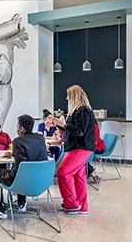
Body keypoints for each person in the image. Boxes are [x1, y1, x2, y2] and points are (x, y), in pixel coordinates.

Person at [0, 114, 48, 218]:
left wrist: (10, 175)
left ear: (22, 129)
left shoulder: (18, 141)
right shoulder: (40, 138)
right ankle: (21, 202)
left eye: (17, 126)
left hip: (22, 183)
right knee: (23, 172)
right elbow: (32, 156)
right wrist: (14, 154)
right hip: (40, 182)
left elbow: (20, 165)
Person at [58, 85, 97, 215]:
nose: (66, 98)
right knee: (78, 176)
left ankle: (72, 204)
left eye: (68, 96)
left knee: (63, 172)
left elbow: (79, 131)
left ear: (74, 96)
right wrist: (61, 125)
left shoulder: (82, 110)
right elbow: (74, 129)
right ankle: (81, 206)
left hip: (80, 148)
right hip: (79, 147)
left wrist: (64, 124)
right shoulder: (80, 110)